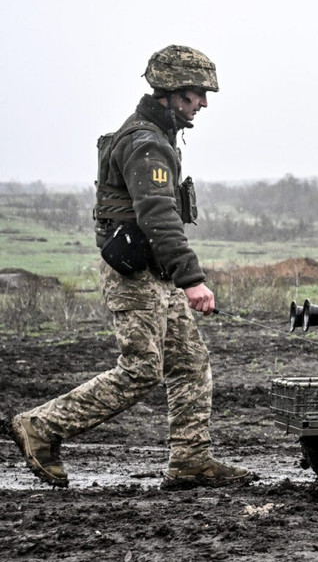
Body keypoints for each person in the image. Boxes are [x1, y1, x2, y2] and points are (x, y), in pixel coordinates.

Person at [7, 45, 250, 491]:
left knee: (190, 361)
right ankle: (41, 426)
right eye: (197, 93)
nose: (203, 103)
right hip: (134, 279)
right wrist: (192, 279)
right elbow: (158, 214)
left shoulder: (155, 136)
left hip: (154, 275)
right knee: (141, 369)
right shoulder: (146, 143)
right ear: (172, 91)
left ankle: (191, 460)